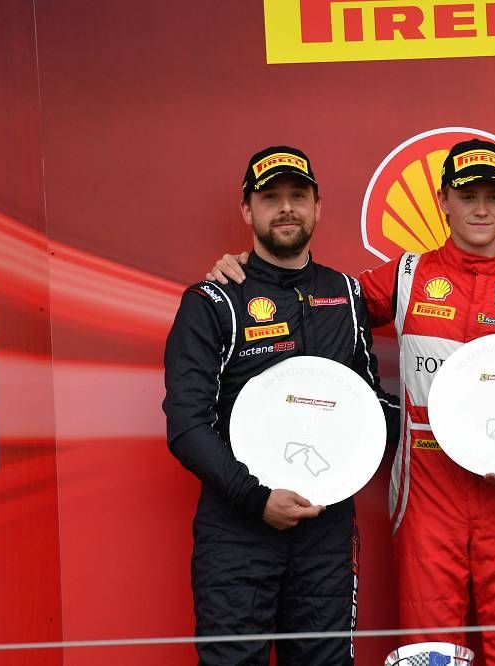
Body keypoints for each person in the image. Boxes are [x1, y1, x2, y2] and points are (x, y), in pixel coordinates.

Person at [206, 138, 495, 666]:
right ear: (443, 200)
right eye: (467, 195)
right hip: (428, 492)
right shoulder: (407, 276)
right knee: (430, 652)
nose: (481, 209)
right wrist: (251, 270)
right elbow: (319, 302)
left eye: (493, 196)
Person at [163, 145, 397, 665]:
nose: (286, 207)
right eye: (270, 198)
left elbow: (370, 406)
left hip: (326, 531)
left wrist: (462, 433)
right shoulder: (213, 300)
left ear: (318, 207)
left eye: (298, 195)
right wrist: (255, 499)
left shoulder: (346, 294)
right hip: (238, 529)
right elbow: (186, 424)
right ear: (247, 210)